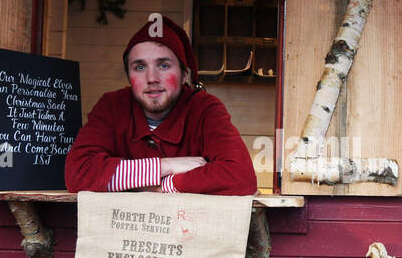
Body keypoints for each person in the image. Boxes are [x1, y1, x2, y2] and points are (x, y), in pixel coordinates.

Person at [64, 15, 258, 195]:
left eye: (163, 65)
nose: (152, 78)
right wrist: (163, 167)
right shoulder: (112, 106)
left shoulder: (204, 108)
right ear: (129, 77)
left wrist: (163, 185)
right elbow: (77, 174)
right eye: (139, 67)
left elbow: (241, 177)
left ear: (184, 75)